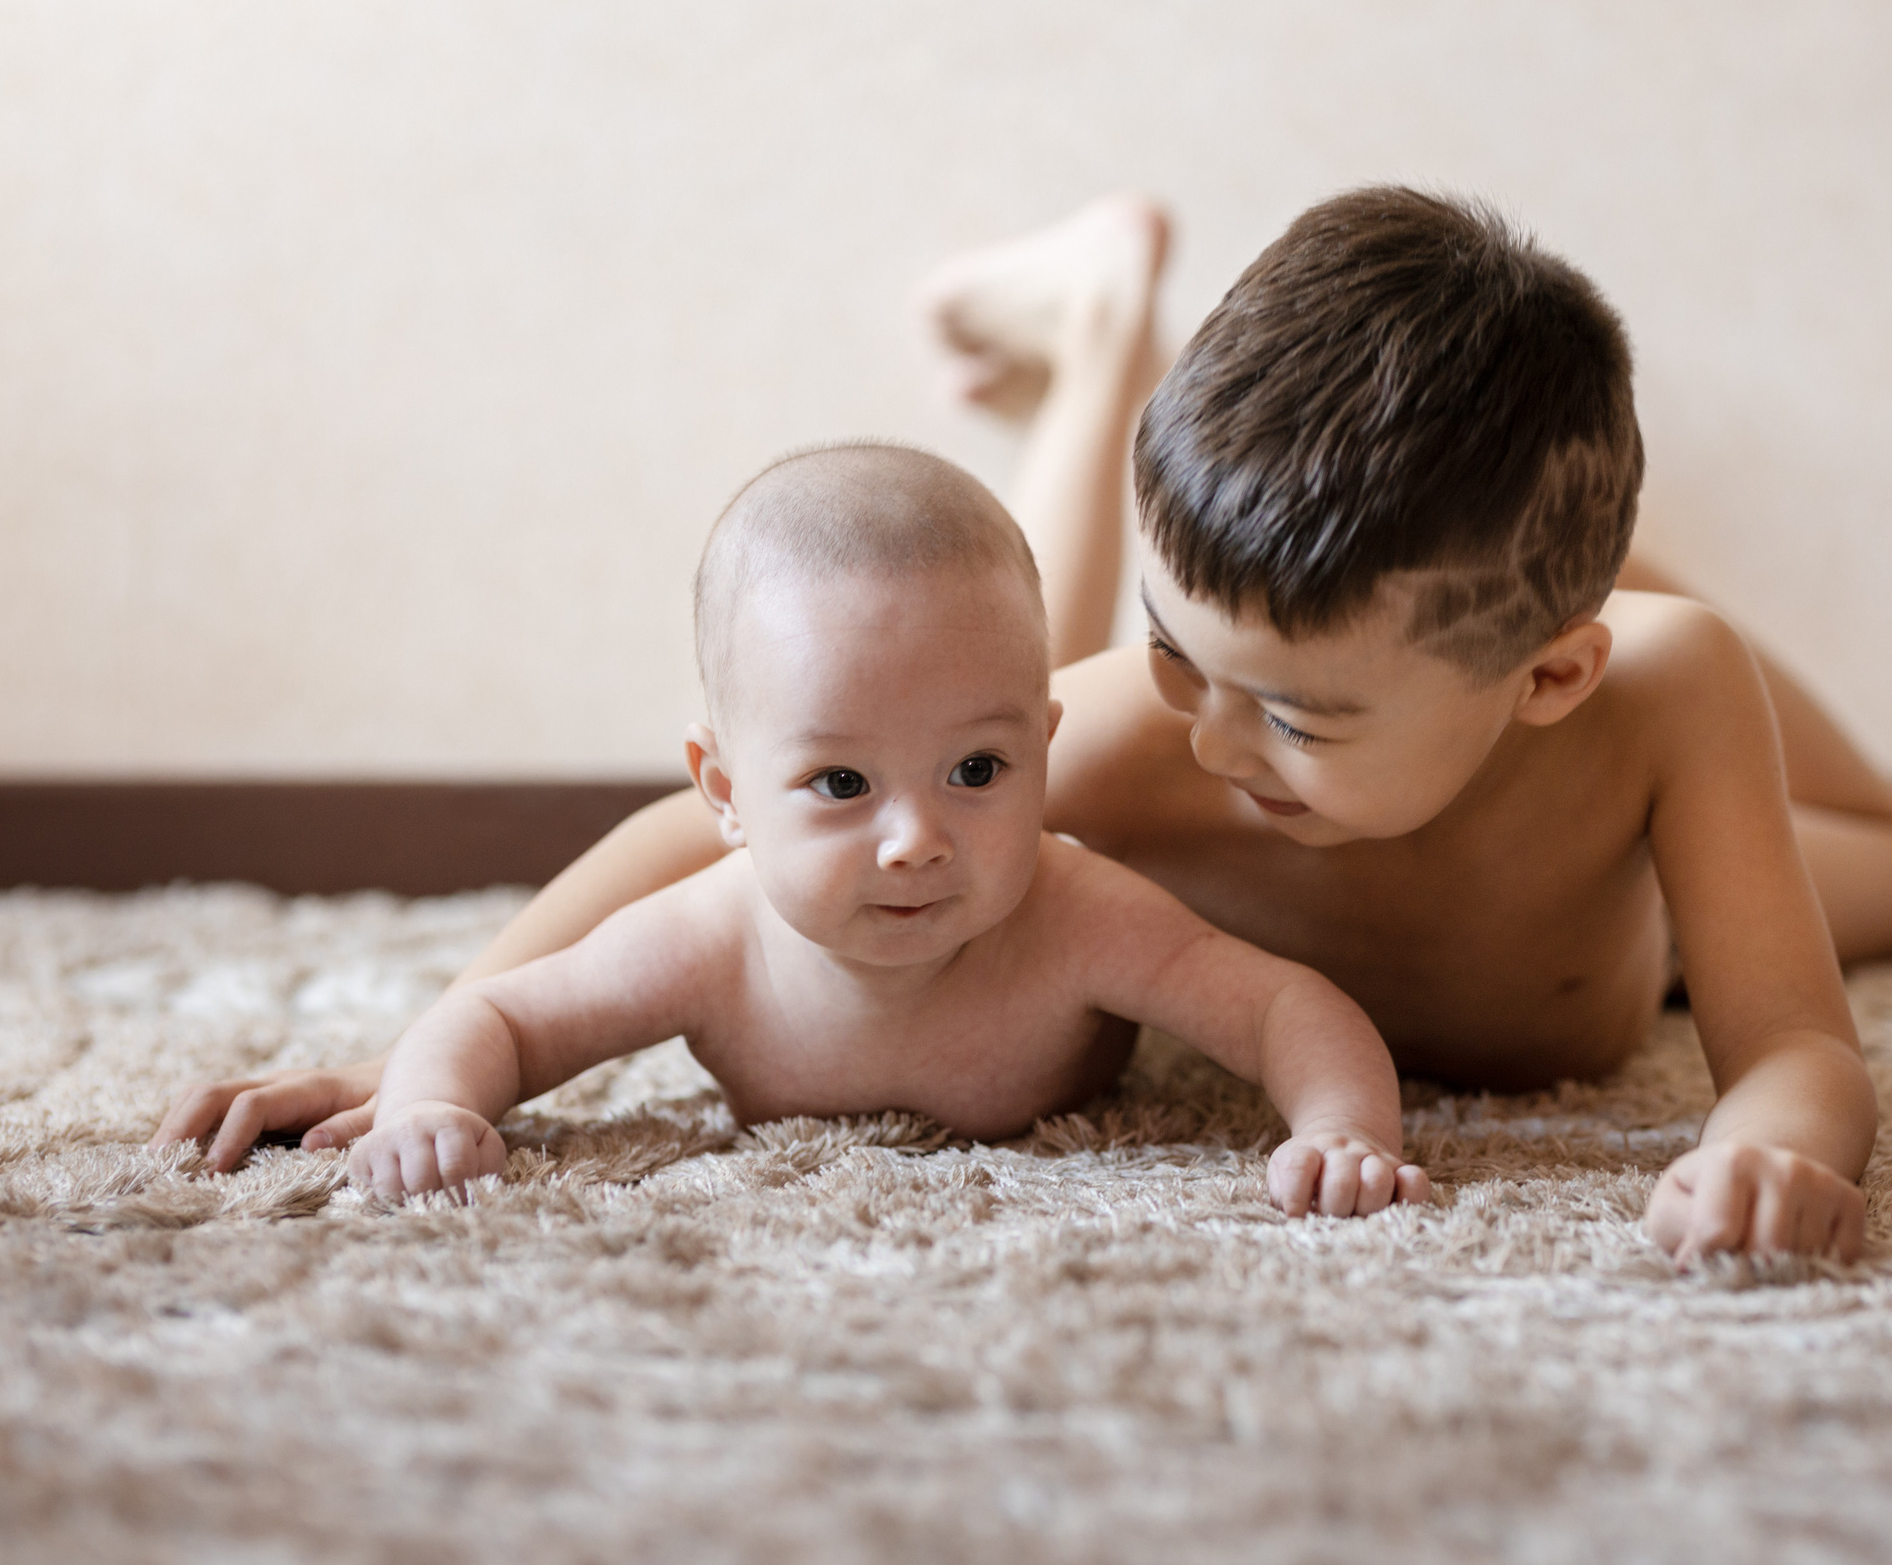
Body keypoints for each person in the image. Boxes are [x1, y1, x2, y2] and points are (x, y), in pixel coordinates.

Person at [157, 189, 1892, 1263]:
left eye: (1302, 713)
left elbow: (1799, 1043)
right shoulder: (1160, 736)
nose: (1223, 742)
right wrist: (428, 1041)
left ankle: (1577, 549)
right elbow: (689, 848)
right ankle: (1108, 327)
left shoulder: (1651, 689)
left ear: (1547, 673)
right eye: (1191, 660)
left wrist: (1767, 1150)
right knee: (1014, 659)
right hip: (1353, 678)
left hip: (1611, 946)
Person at [342, 443, 1428, 1214]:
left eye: (975, 770)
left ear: (1043, 755)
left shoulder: (1079, 916)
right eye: (840, 782)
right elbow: (504, 1020)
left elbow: (1282, 1005)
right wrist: (429, 1103)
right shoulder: (706, 943)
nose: (915, 839)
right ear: (722, 790)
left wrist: (1342, 1130)